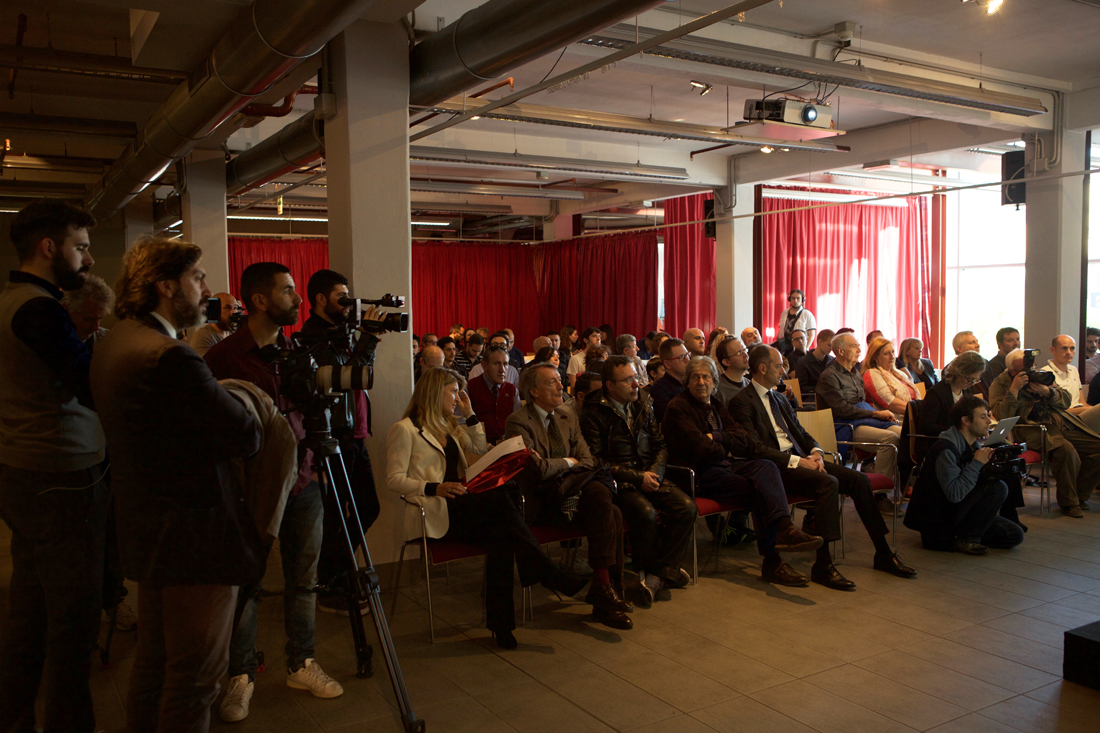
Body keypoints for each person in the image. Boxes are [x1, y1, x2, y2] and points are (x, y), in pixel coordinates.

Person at [90, 235, 263, 731]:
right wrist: (244, 397)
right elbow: (244, 434)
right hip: (195, 537)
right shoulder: (170, 356)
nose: (207, 288)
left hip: (150, 528)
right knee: (195, 680)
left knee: (153, 664)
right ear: (166, 285)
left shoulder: (117, 339)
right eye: (197, 277)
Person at [205, 262, 344, 721]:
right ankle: (240, 674)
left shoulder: (299, 350)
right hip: (250, 488)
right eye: (288, 292)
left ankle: (300, 661)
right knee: (247, 581)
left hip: (303, 481)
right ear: (260, 300)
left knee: (303, 578)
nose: (298, 299)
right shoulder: (223, 357)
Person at [0, 199, 107, 733]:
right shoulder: (37, 309)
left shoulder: (12, 299)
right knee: (74, 617)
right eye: (81, 247)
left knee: (31, 610)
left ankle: (18, 715)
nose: (88, 260)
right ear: (49, 248)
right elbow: (88, 379)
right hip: (60, 477)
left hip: (25, 471)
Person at [388, 367, 585, 649]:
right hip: (434, 509)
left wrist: (470, 416)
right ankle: (543, 570)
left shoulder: (448, 425)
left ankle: (502, 625)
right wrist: (434, 487)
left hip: (464, 505)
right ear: (434, 392)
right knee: (500, 502)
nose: (458, 397)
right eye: (453, 391)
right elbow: (393, 480)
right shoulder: (405, 429)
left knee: (502, 534)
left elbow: (480, 449)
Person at [729, 346, 915, 589]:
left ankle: (882, 552)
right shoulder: (741, 402)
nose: (783, 370)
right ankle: (823, 564)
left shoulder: (778, 398)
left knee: (858, 480)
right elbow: (754, 449)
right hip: (776, 466)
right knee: (828, 483)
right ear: (762, 369)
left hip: (800, 460)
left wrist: (816, 451)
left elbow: (801, 433)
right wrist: (799, 461)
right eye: (778, 366)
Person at [662, 356, 824, 587]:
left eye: (706, 377)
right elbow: (700, 448)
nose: (701, 382)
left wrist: (718, 437)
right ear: (687, 381)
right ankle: (773, 559)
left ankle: (784, 530)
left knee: (766, 466)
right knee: (760, 490)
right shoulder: (678, 407)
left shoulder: (716, 405)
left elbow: (743, 439)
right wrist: (725, 443)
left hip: (724, 464)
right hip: (697, 473)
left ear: (714, 382)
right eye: (695, 377)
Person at [505, 365, 634, 630]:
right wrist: (569, 460)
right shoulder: (518, 421)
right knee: (610, 509)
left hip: (577, 495)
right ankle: (607, 593)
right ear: (534, 391)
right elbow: (537, 470)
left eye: (559, 381)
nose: (561, 387)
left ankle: (604, 593)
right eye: (552, 382)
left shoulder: (567, 417)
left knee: (606, 503)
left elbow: (588, 459)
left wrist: (562, 463)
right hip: (545, 502)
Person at [299, 268, 383, 617]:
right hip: (334, 438)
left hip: (355, 435)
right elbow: (348, 378)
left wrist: (363, 336)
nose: (347, 304)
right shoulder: (313, 338)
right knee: (335, 515)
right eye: (341, 297)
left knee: (367, 507)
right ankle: (330, 581)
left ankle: (335, 571)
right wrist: (368, 339)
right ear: (320, 299)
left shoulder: (342, 332)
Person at [581, 357, 698, 604]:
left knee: (687, 508)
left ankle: (659, 573)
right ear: (610, 385)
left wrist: (654, 472)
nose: (637, 384)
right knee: (645, 513)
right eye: (628, 380)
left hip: (650, 473)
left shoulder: (643, 401)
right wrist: (638, 477)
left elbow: (660, 445)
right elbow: (597, 461)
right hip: (619, 481)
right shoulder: (594, 410)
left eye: (637, 377)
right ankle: (657, 571)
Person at [904, 396, 1026, 554]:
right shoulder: (945, 449)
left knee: (1014, 535)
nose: (989, 421)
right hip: (937, 520)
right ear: (966, 421)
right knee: (997, 488)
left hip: (958, 512)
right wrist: (977, 463)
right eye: (983, 417)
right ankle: (966, 539)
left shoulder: (972, 445)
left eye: (988, 416)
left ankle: (961, 535)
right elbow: (955, 494)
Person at [990, 349, 1100, 518]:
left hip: (1060, 422)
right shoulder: (1000, 384)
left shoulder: (1040, 376)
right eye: (1024, 370)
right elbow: (1001, 415)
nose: (1030, 372)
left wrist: (1047, 392)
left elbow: (1066, 400)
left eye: (1031, 367)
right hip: (1031, 429)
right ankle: (1069, 503)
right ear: (1012, 371)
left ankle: (1079, 494)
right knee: (1066, 450)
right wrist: (1014, 390)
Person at [815, 332, 903, 486]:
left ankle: (902, 483)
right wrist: (876, 414)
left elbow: (861, 403)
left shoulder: (855, 373)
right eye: (854, 346)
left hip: (861, 419)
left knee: (903, 433)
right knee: (889, 439)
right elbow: (842, 410)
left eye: (858, 346)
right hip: (844, 425)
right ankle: (879, 494)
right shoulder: (829, 376)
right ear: (841, 351)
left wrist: (875, 415)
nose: (859, 351)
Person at [917, 351, 987, 438]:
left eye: (975, 380)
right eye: (970, 379)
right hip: (940, 443)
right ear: (959, 372)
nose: (972, 383)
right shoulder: (937, 393)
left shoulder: (967, 392)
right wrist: (958, 431)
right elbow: (926, 427)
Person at [467, 344, 521, 443]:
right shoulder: (470, 387)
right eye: (496, 364)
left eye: (505, 364)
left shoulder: (511, 390)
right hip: (478, 445)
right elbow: (463, 424)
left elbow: (518, 422)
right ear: (484, 365)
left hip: (507, 444)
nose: (502, 370)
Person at [862, 337, 919, 419]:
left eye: (893, 352)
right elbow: (889, 402)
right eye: (886, 354)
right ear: (875, 357)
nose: (892, 356)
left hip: (912, 416)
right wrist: (918, 410)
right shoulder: (872, 373)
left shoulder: (899, 374)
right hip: (890, 420)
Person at [60, 272, 114, 348]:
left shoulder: (106, 341)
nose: (96, 327)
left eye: (100, 319)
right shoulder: (45, 340)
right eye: (89, 319)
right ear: (67, 308)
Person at [1041, 335, 1087, 414]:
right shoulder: (1045, 373)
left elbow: (1082, 402)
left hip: (1080, 414)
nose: (1069, 352)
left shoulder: (1073, 370)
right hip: (1063, 418)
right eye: (1064, 348)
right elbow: (1052, 411)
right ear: (1053, 350)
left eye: (1072, 348)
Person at [188, 291, 241, 356]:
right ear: (215, 311)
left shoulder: (234, 333)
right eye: (227, 308)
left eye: (235, 308)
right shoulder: (203, 337)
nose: (233, 312)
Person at [650, 337, 689, 423]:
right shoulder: (659, 390)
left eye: (687, 355)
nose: (687, 360)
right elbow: (671, 422)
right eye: (682, 357)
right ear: (668, 364)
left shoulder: (690, 383)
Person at [795, 327, 835, 397]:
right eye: (829, 345)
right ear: (820, 342)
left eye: (832, 346)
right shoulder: (803, 362)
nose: (831, 348)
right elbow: (801, 388)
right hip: (812, 399)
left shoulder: (833, 361)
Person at [714, 336, 750, 406]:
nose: (745, 355)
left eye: (745, 350)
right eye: (739, 353)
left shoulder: (749, 385)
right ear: (726, 362)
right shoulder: (717, 389)